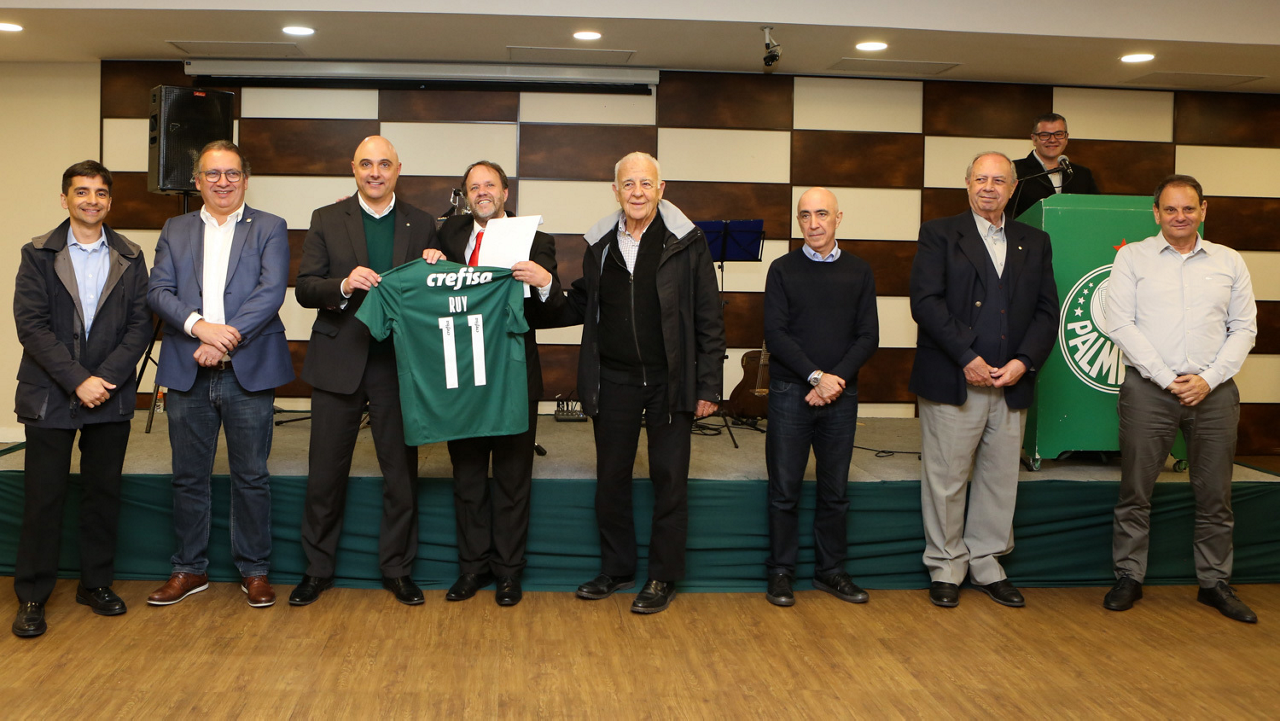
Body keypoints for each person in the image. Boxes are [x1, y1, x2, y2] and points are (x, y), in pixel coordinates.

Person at [543, 151, 725, 614]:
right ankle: (617, 568)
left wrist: (708, 386)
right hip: (613, 379)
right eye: (629, 184)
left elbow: (708, 315)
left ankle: (663, 576)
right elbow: (583, 302)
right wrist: (544, 287)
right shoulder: (601, 244)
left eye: (646, 183)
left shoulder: (687, 240)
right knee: (611, 481)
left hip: (671, 381)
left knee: (670, 481)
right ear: (616, 191)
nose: (637, 192)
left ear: (661, 189)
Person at [1102, 174, 1258, 623]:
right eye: (1170, 209)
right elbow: (1120, 324)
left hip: (1215, 393)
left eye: (1189, 208)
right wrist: (1168, 378)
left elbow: (1244, 328)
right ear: (1156, 213)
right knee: (1135, 491)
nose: (1180, 216)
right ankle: (1128, 576)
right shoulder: (1132, 258)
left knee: (1216, 495)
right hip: (1149, 390)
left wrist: (1207, 379)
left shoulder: (1229, 261)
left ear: (1203, 210)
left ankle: (1214, 583)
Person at [290, 136, 437, 607]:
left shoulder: (422, 223)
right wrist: (343, 284)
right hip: (339, 360)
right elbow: (305, 288)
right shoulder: (326, 218)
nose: (376, 172)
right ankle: (317, 569)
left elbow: (433, 295)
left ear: (398, 170)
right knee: (324, 475)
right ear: (353, 168)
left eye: (384, 164)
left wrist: (436, 266)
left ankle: (397, 569)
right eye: (367, 164)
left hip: (398, 364)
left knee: (401, 475)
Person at [146, 140, 294, 608]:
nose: (223, 182)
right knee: (188, 476)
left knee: (251, 476)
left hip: (247, 370)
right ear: (197, 181)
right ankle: (189, 568)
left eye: (232, 173)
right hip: (187, 368)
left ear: (245, 180)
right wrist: (199, 328)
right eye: (213, 173)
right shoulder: (176, 228)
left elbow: (271, 292)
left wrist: (222, 340)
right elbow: (158, 291)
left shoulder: (270, 226)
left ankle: (255, 571)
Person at [909, 152, 1060, 609]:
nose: (988, 187)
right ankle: (946, 566)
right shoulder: (939, 233)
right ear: (967, 184)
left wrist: (1024, 362)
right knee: (947, 478)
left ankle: (987, 563)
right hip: (955, 379)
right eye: (980, 179)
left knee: (999, 479)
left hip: (1011, 382)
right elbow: (926, 302)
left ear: (1012, 188)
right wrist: (966, 356)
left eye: (998, 180)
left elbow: (1046, 310)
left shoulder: (1035, 241)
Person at [10, 161, 152, 638]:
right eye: (82, 191)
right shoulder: (37, 253)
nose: (92, 200)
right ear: (65, 199)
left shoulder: (131, 256)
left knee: (102, 494)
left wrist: (104, 379)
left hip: (109, 394)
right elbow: (31, 326)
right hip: (48, 393)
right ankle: (32, 596)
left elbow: (140, 326)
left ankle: (95, 584)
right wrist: (77, 380)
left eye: (100, 193)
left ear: (110, 201)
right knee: (43, 497)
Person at [425, 160, 565, 607]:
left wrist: (545, 282)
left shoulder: (537, 240)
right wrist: (431, 263)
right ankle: (472, 568)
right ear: (466, 196)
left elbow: (551, 310)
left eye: (490, 185)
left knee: (511, 478)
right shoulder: (448, 234)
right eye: (474, 187)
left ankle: (508, 572)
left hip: (513, 374)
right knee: (467, 476)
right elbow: (429, 291)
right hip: (462, 374)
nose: (482, 192)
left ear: (506, 192)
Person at [762, 187, 878, 608]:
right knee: (784, 490)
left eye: (822, 214)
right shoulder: (781, 269)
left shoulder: (860, 271)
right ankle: (780, 572)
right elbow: (775, 334)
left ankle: (831, 571)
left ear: (838, 218)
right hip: (790, 393)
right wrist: (816, 377)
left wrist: (834, 381)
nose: (813, 223)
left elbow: (869, 336)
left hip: (840, 396)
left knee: (835, 491)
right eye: (805, 215)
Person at [1010, 113, 1099, 219]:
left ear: (1066, 138)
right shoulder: (1014, 170)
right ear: (1034, 139)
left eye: (1059, 134)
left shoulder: (1082, 174)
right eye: (1044, 135)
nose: (1052, 140)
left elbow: (1096, 212)